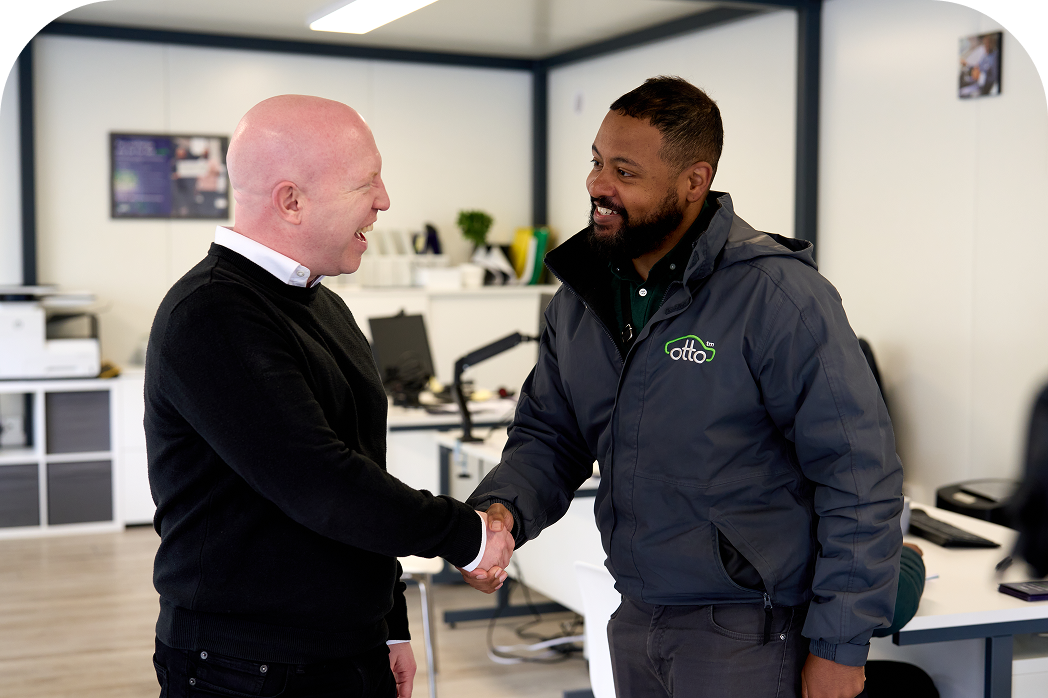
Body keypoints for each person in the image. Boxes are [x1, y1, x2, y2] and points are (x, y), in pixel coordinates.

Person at [464, 76, 904, 698]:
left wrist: (840, 648)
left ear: (693, 182)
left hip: (750, 630)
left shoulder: (776, 297)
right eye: (595, 162)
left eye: (624, 170)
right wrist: (504, 509)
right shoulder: (581, 300)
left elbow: (858, 475)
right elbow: (549, 435)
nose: (597, 184)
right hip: (637, 614)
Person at [145, 95, 513, 698]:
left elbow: (362, 471)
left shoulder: (324, 306)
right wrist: (464, 536)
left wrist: (389, 624)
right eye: (365, 183)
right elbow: (321, 483)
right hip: (245, 669)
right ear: (291, 201)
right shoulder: (213, 313)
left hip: (347, 648)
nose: (385, 200)